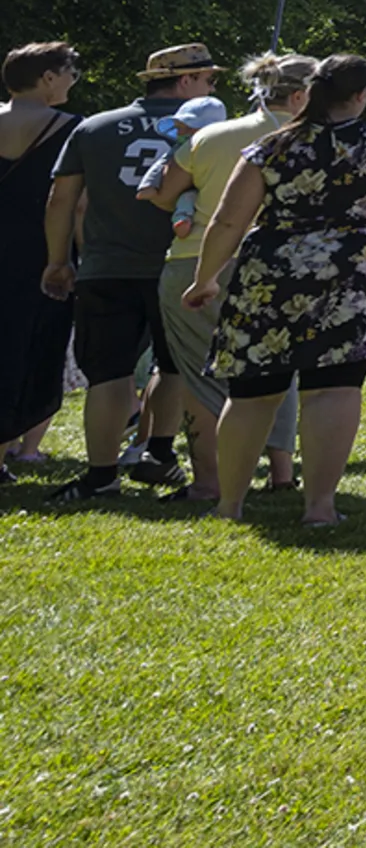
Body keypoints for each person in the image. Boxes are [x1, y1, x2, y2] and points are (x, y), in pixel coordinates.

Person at [182, 54, 366, 525]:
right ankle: (319, 508)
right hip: (353, 274)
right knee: (334, 388)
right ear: (361, 95)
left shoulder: (270, 146)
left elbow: (228, 220)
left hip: (270, 275)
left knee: (252, 392)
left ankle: (229, 506)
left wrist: (205, 278)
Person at [41, 43, 225, 504]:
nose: (212, 89)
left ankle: (101, 474)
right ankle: (158, 451)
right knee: (176, 365)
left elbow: (62, 201)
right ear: (185, 80)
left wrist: (58, 260)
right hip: (180, 265)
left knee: (108, 374)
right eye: (208, 80)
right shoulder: (213, 131)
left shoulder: (94, 127)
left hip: (106, 267)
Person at [147, 54, 316, 503]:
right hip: (283, 265)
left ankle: (209, 483)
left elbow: (162, 195)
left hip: (196, 260)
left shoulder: (211, 136)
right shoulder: (317, 141)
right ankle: (282, 473)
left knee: (202, 376)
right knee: (278, 371)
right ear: (303, 95)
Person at [0, 43, 85, 475]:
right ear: (48, 77)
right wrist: (66, 259)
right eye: (71, 72)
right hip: (38, 253)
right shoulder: (72, 129)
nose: (73, 80)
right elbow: (73, 204)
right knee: (24, 350)